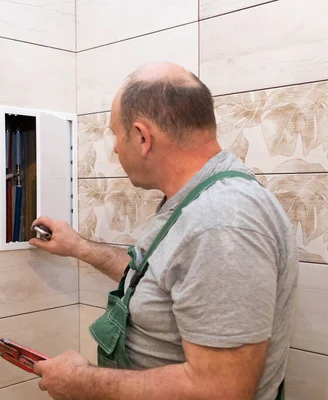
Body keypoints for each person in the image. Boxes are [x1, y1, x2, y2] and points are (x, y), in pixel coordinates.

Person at [29, 62, 299, 400]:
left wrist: (81, 381)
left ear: (142, 137)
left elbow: (222, 390)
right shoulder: (195, 199)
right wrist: (78, 246)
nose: (115, 148)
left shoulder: (221, 220)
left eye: (116, 134)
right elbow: (160, 277)